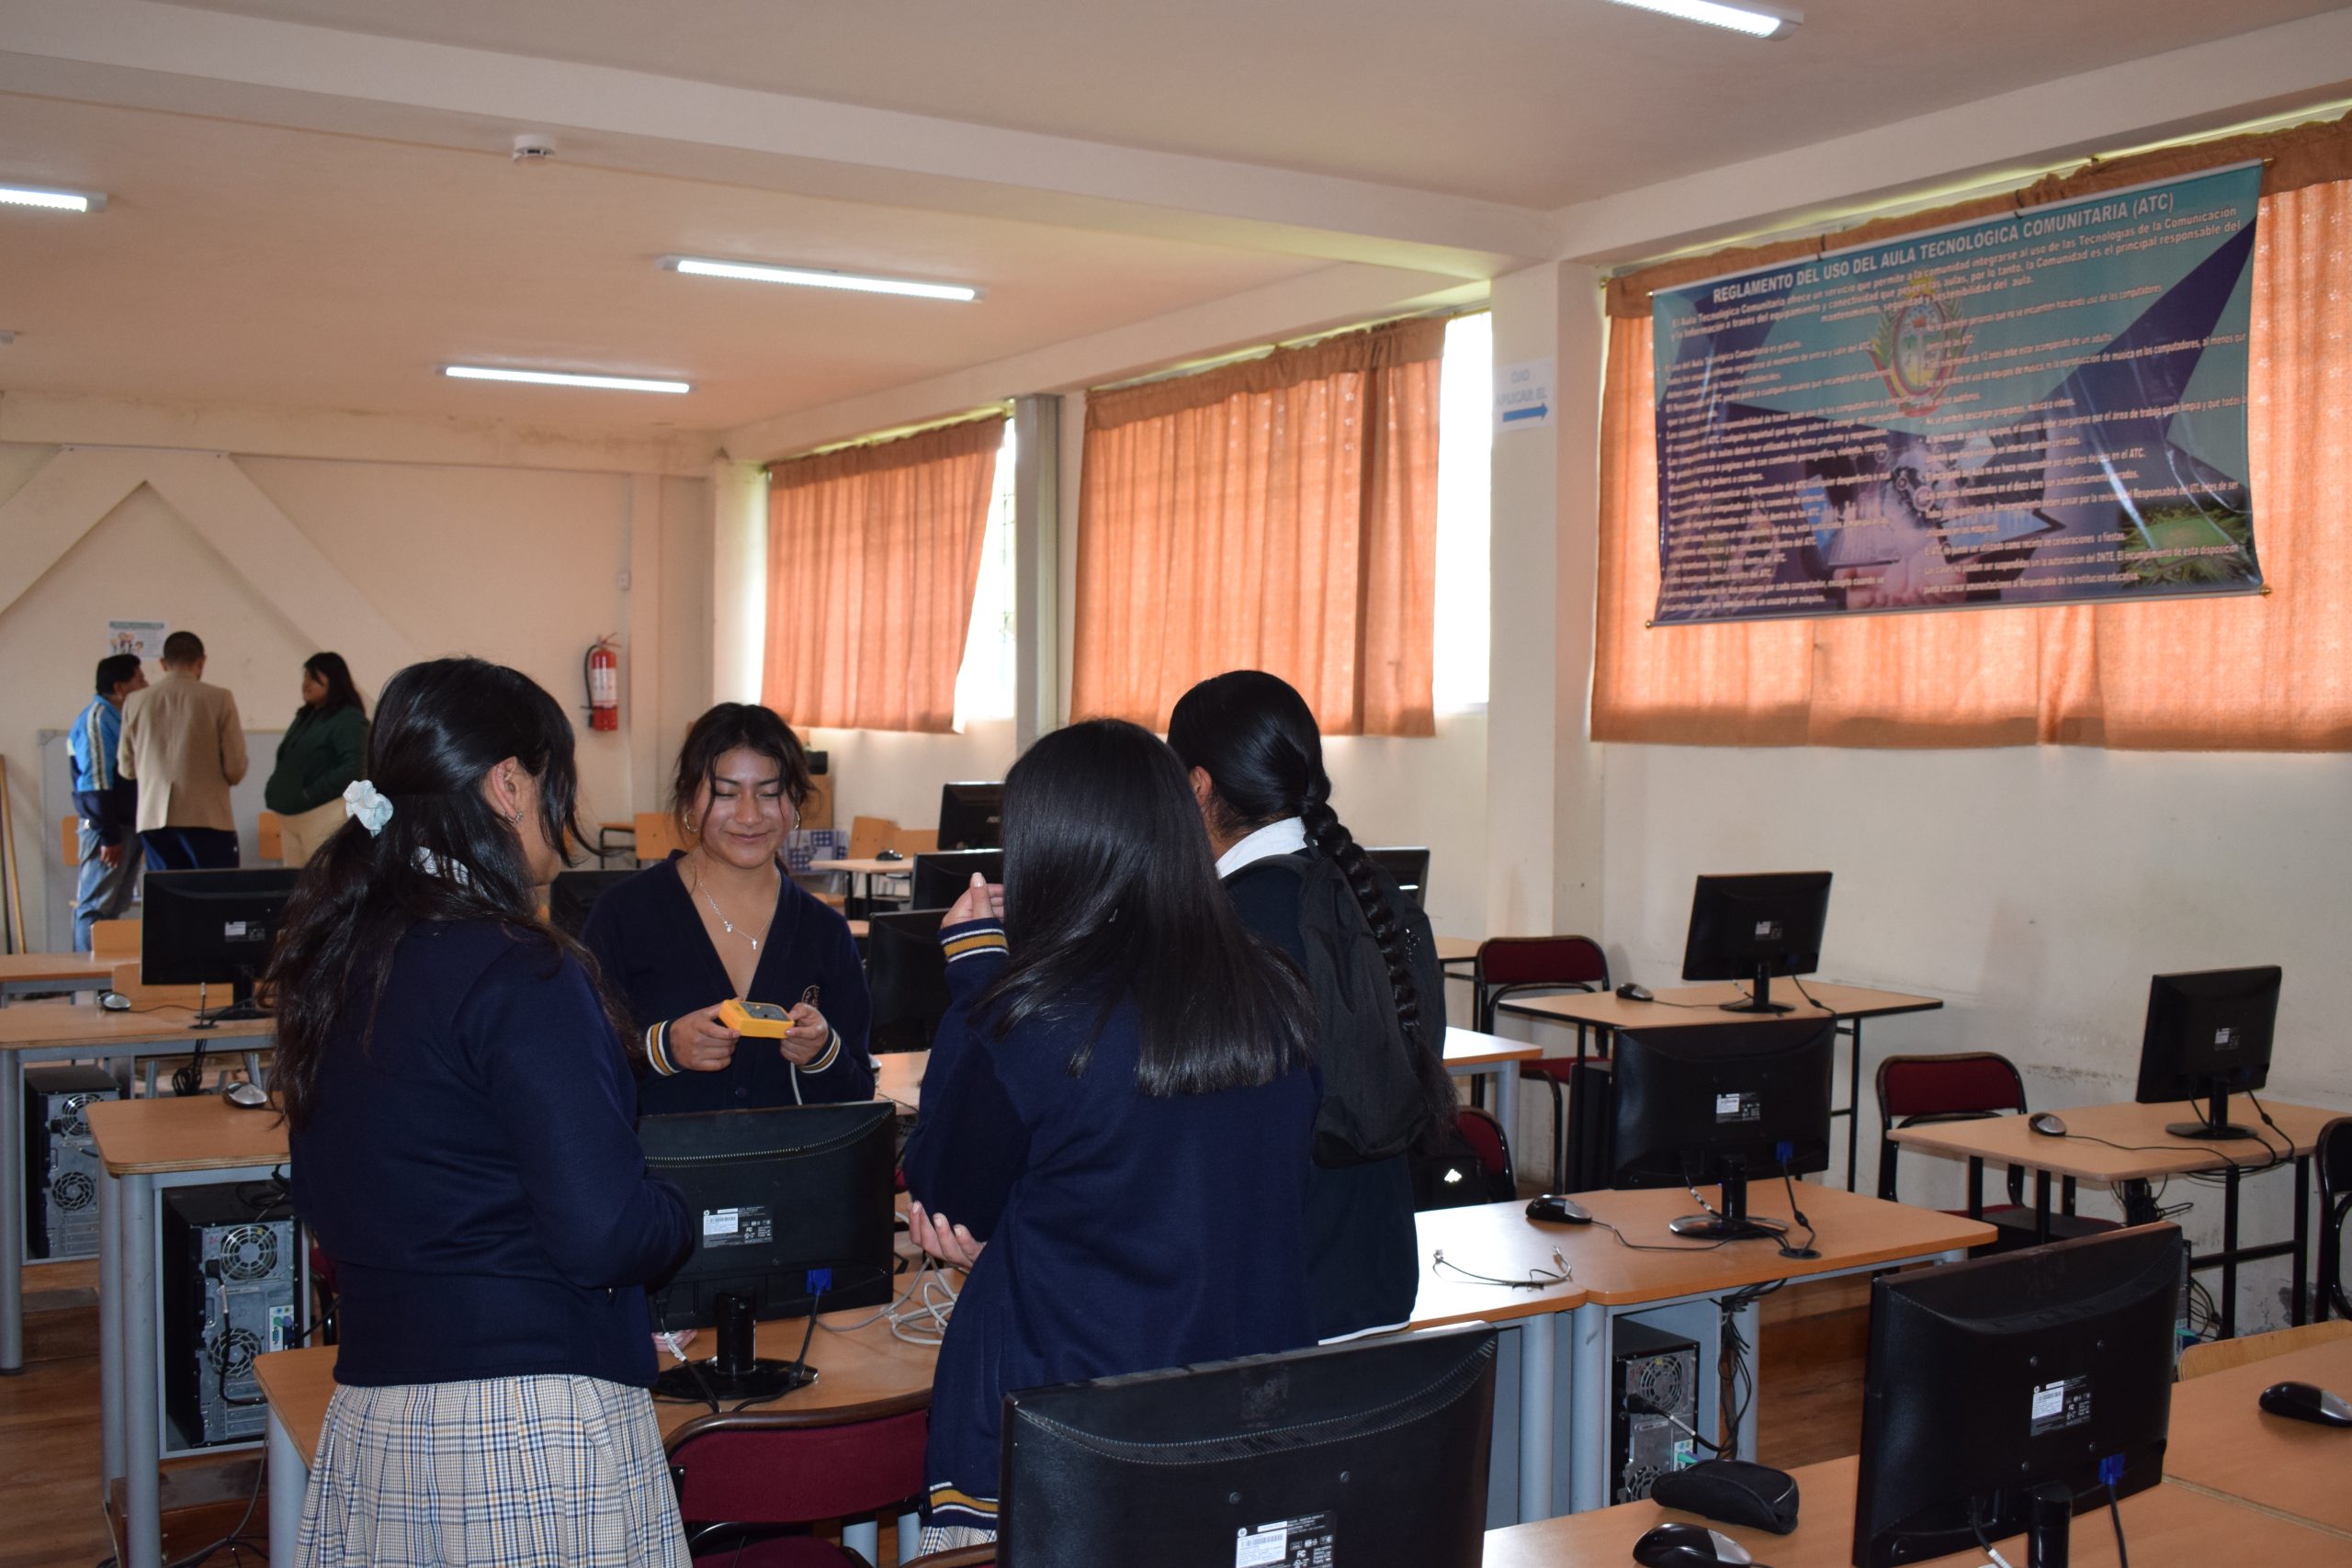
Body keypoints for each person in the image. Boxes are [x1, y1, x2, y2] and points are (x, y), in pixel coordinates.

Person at [268, 657, 692, 1568]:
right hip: (525, 1427)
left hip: (379, 1413)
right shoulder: (517, 967)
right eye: (555, 779)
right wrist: (678, 1212)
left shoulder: (341, 952)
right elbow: (603, 1232)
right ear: (510, 783)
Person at [899, 718, 1319, 1548]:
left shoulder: (1034, 1015)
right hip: (1246, 1417)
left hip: (1072, 1428)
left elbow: (948, 1198)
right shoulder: (1274, 988)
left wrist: (979, 978)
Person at [1167, 669, 1453, 1343]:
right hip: (1378, 1282)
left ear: (1198, 786)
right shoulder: (1372, 893)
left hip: (1268, 1304)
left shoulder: (1225, 924)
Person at [582, 704, 874, 1113]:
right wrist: (662, 1049)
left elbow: (858, 1095)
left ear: (794, 802)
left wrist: (823, 1053)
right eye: (726, 793)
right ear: (689, 800)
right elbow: (576, 1064)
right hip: (658, 1156)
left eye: (769, 793)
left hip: (787, 1155)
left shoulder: (825, 931)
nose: (749, 816)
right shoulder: (625, 914)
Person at [117, 630, 247, 870]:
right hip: (208, 816)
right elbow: (235, 768)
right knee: (217, 890)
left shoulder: (135, 701)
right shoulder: (219, 698)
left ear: (163, 663)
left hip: (153, 818)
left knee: (167, 891)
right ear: (201, 662)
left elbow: (127, 769)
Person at [66, 654, 147, 950]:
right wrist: (109, 835)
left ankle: (106, 974)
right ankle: (87, 972)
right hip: (107, 830)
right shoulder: (97, 720)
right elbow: (96, 783)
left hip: (128, 826)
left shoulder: (123, 719)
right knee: (94, 908)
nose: (146, 684)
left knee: (113, 907)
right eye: (139, 678)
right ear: (119, 687)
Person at [265, 652, 369, 868]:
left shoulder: (348, 718)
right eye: (305, 676)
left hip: (323, 814)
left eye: (313, 677)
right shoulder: (306, 716)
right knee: (293, 882)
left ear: (334, 680)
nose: (305, 684)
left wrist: (311, 793)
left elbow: (355, 766)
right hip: (291, 816)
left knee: (321, 879)